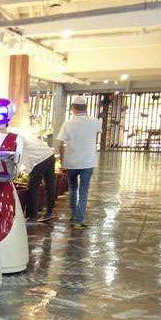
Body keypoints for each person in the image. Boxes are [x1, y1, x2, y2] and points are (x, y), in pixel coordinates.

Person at [57, 95, 102, 227]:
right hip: (88, 162)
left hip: (71, 162)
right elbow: (98, 132)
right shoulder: (94, 122)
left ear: (73, 108)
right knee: (84, 191)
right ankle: (79, 220)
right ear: (86, 108)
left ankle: (73, 214)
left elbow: (61, 144)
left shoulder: (67, 124)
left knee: (72, 188)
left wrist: (62, 161)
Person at [20, 133, 56, 224]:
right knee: (50, 184)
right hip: (49, 155)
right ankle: (50, 212)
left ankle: (32, 217)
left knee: (33, 186)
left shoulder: (15, 137)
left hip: (40, 159)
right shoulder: (21, 132)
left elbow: (20, 156)